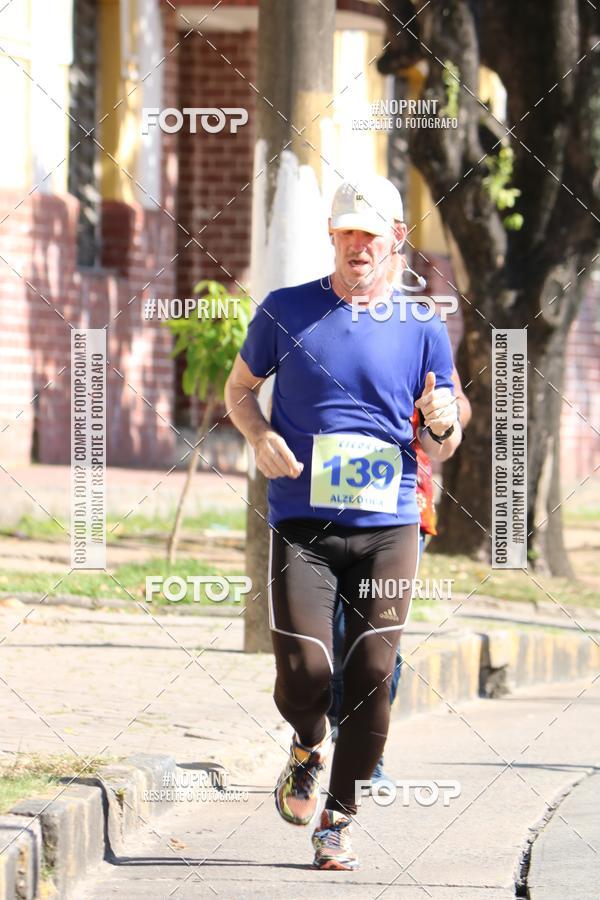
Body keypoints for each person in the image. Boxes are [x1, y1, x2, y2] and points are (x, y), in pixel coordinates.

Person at [225, 175, 462, 871]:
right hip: (304, 520)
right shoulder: (287, 309)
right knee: (303, 669)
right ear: (332, 237)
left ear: (396, 238)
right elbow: (239, 391)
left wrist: (442, 426)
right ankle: (306, 744)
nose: (357, 245)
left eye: (369, 233)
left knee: (372, 669)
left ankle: (339, 818)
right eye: (345, 232)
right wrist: (259, 434)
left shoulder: (422, 324)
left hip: (389, 524)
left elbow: (440, 427)